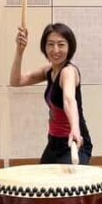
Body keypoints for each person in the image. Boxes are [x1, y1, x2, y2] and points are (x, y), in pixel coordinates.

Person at [10, 23, 93, 164]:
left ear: (69, 47)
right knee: (42, 184)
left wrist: (74, 128)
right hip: (54, 142)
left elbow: (68, 99)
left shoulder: (68, 72)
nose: (55, 50)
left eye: (61, 44)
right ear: (44, 47)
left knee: (65, 185)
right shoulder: (49, 71)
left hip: (73, 142)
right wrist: (19, 50)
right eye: (50, 44)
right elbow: (16, 81)